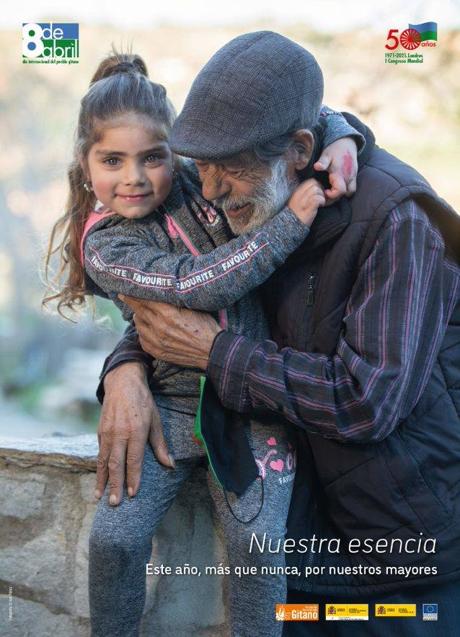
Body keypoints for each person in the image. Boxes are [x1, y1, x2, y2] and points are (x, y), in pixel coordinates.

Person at [105, 32, 460, 636]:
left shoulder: (396, 220)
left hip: (402, 558)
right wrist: (127, 366)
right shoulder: (260, 197)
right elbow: (196, 288)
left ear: (298, 149)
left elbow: (365, 401)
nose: (209, 189)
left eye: (229, 169)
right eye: (202, 164)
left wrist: (217, 354)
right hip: (303, 545)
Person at [44, 50, 365, 636]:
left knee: (258, 545)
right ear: (85, 165)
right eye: (112, 160)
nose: (136, 177)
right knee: (114, 538)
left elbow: (294, 121)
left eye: (154, 157)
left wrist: (344, 135)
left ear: (178, 153)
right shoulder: (106, 247)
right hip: (168, 407)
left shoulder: (199, 179)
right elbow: (195, 285)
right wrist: (287, 224)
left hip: (252, 399)